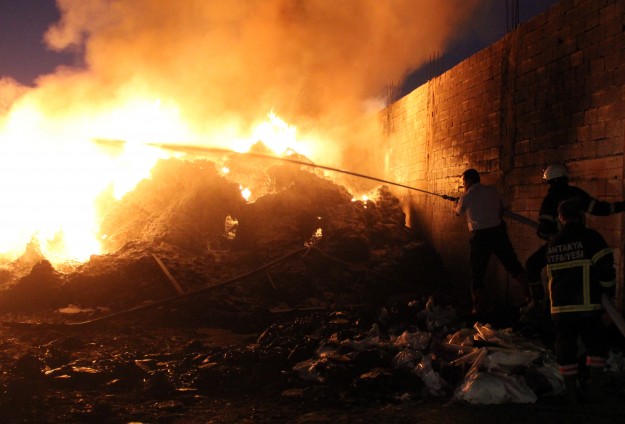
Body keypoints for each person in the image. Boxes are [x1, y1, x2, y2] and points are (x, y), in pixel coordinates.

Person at [545, 198, 616, 403]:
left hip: (559, 309)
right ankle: (596, 390)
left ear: (560, 218)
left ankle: (571, 394)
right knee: (596, 347)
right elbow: (606, 270)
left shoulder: (553, 243)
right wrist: (609, 295)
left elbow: (550, 278)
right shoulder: (591, 237)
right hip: (587, 307)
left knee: (566, 351)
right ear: (582, 215)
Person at [525, 163, 624, 307]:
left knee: (532, 265)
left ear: (550, 182)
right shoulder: (577, 193)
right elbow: (601, 209)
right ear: (565, 178)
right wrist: (622, 206)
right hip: (581, 243)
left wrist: (549, 237)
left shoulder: (550, 199)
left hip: (556, 246)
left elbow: (544, 230)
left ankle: (538, 302)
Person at [454, 169, 530, 317]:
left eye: (464, 183)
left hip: (480, 237)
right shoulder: (493, 190)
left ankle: (477, 307)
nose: (464, 186)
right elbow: (505, 206)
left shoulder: (466, 196)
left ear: (468, 181)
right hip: (498, 234)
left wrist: (456, 203)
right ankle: (529, 296)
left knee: (477, 272)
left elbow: (458, 212)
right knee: (512, 264)